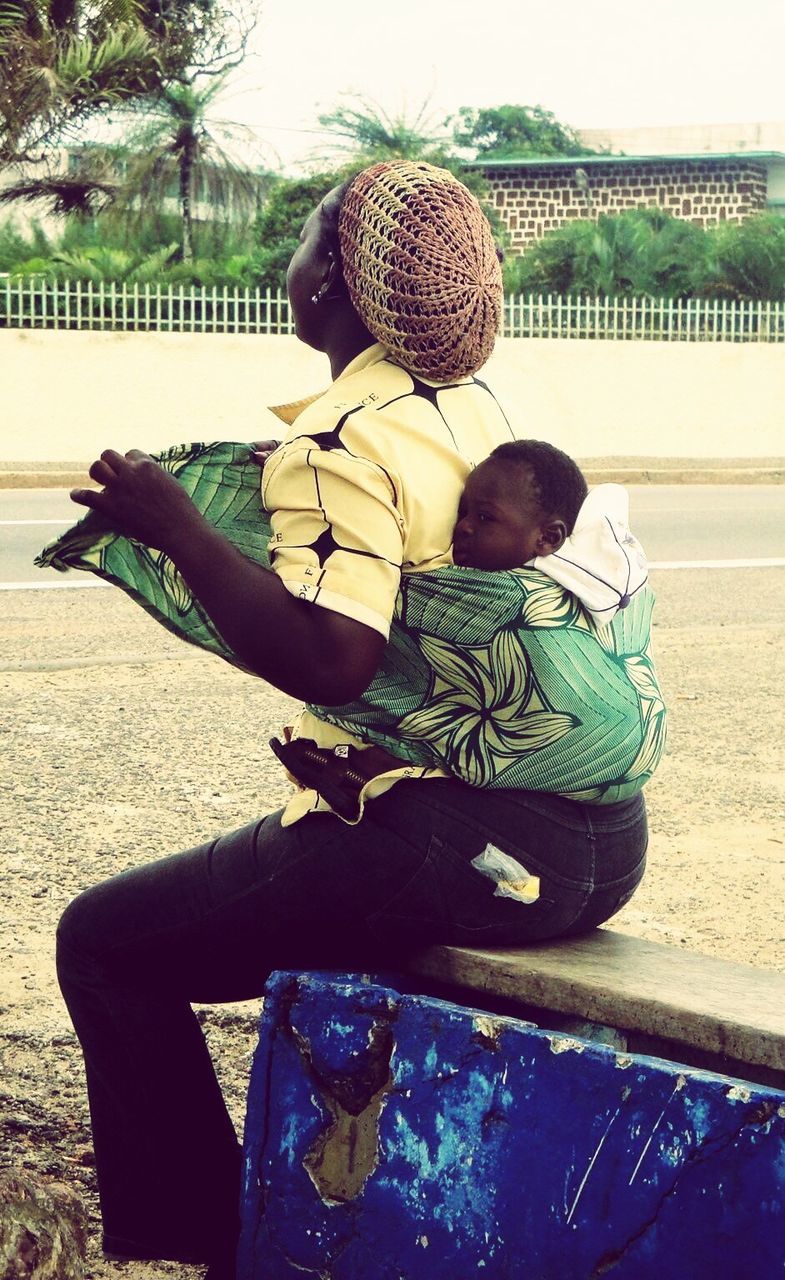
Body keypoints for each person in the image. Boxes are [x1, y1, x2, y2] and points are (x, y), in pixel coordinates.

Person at [55, 161, 650, 1279]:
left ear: (329, 277)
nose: (289, 254)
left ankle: (201, 1243)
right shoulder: (469, 403)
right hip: (596, 840)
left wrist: (178, 525)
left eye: (301, 233)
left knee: (102, 940)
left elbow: (334, 659)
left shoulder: (334, 440)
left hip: (477, 854)